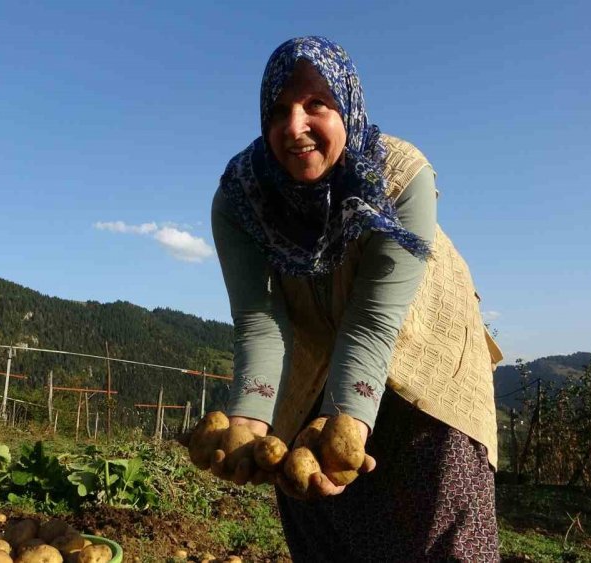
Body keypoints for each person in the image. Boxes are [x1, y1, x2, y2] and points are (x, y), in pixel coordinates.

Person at [209, 36, 503, 561]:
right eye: (278, 110)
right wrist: (250, 420)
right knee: (319, 513)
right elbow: (258, 318)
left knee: (435, 515)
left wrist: (346, 418)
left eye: (316, 104)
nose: (294, 127)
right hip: (313, 349)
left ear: (347, 105)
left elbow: (372, 321)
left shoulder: (398, 176)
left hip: (422, 346)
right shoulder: (241, 198)